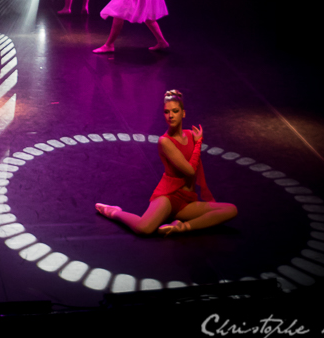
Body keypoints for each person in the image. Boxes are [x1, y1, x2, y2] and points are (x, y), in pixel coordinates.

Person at [95, 89, 238, 235]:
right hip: (169, 197)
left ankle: (181, 227)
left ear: (183, 113)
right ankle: (114, 212)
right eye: (166, 112)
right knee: (144, 229)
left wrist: (196, 142)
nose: (170, 115)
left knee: (231, 210)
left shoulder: (191, 135)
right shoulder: (165, 142)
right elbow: (190, 171)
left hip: (187, 201)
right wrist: (198, 143)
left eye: (175, 111)